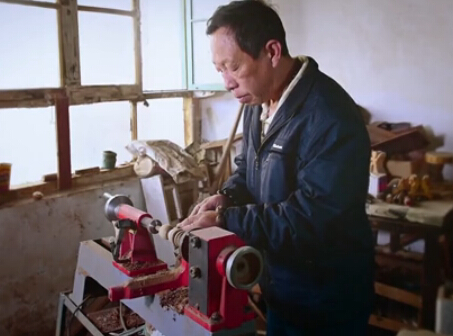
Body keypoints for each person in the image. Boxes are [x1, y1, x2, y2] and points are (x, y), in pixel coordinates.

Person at [177, 1, 375, 335]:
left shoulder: (330, 115)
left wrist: (228, 220)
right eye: (219, 70)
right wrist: (226, 197)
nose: (227, 82)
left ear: (271, 51)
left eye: (234, 67)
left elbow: (312, 218)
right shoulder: (259, 101)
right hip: (281, 286)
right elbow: (249, 170)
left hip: (327, 296)